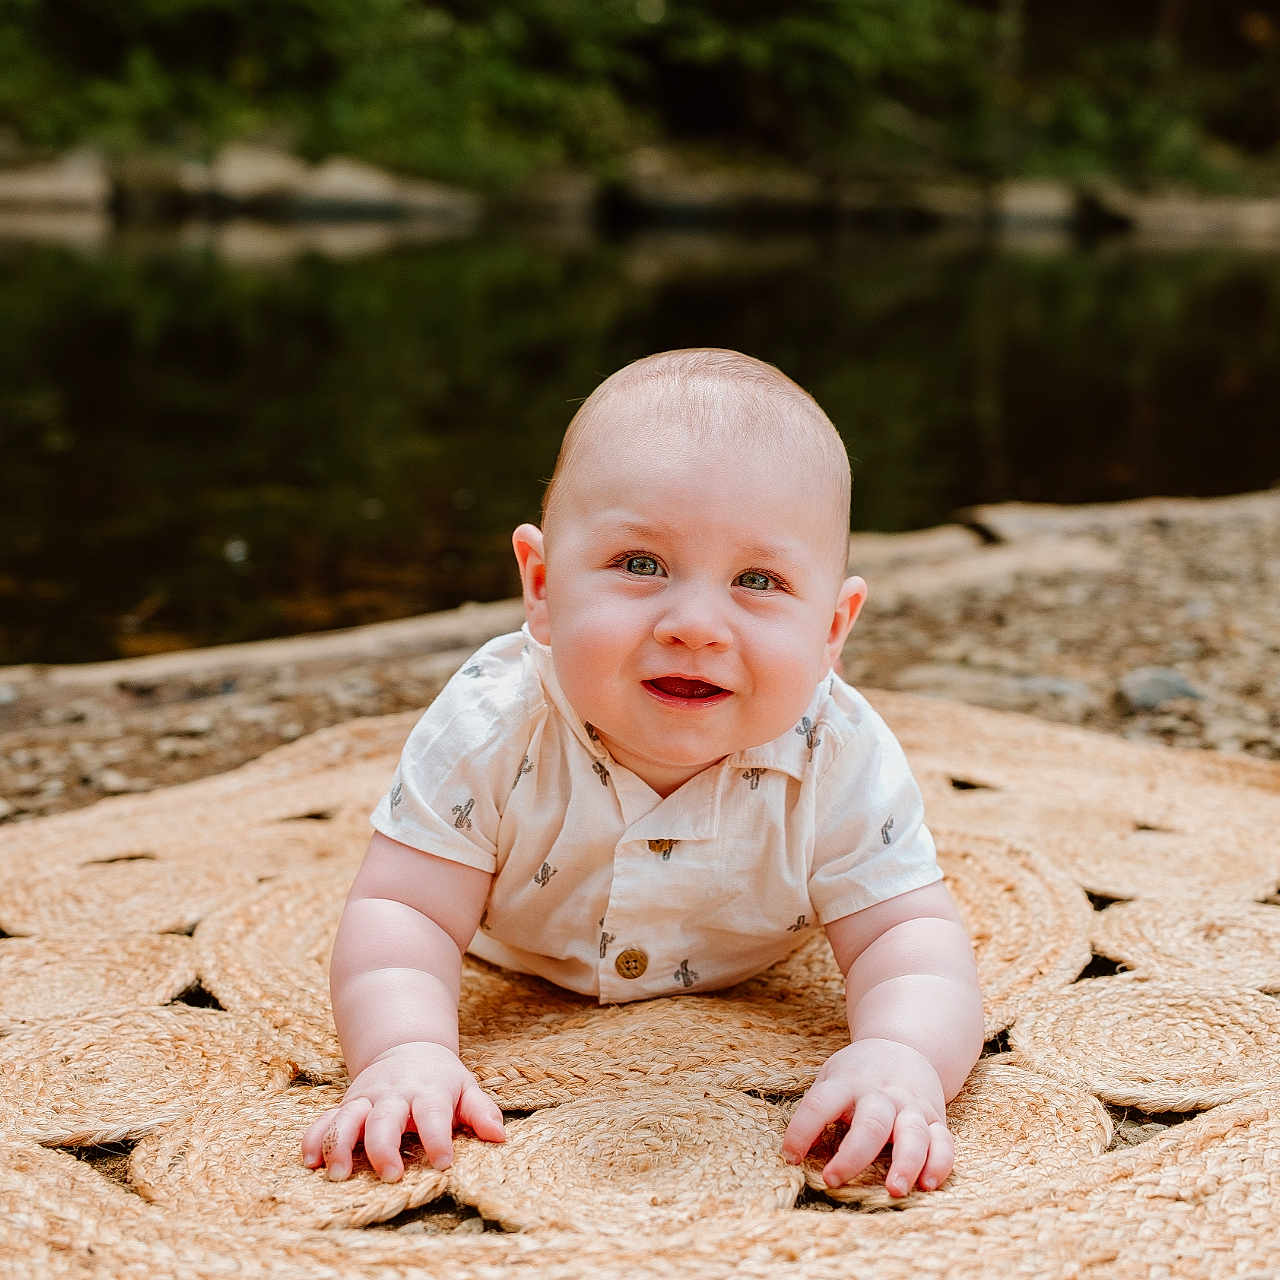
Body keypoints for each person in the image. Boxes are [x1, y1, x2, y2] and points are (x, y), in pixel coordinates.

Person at [300, 348, 983, 1196]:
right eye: (640, 565)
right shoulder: (492, 725)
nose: (695, 624)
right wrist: (404, 1052)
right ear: (542, 586)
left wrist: (903, 1055)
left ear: (833, 628)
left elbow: (909, 943)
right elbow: (403, 911)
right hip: (520, 952)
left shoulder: (835, 753)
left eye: (759, 581)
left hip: (751, 965)